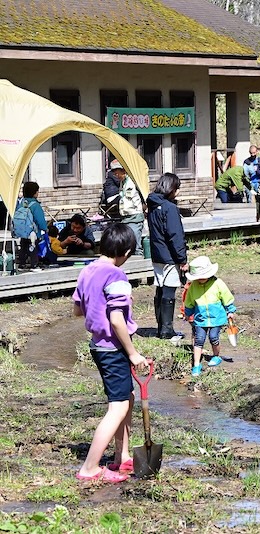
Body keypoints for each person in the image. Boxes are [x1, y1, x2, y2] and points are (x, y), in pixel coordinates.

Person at [73, 223, 149, 483]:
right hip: (112, 347)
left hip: (98, 345)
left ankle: (122, 455)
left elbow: (78, 310)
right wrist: (133, 353)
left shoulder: (87, 270)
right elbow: (116, 320)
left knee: (126, 397)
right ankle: (90, 468)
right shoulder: (117, 276)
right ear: (126, 252)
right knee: (118, 407)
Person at [146, 172, 188, 342]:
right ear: (171, 188)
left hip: (157, 254)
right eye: (177, 188)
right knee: (169, 291)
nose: (178, 192)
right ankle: (167, 330)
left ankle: (160, 328)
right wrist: (182, 259)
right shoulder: (170, 208)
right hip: (170, 256)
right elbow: (175, 236)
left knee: (160, 289)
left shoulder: (152, 205)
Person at [183, 256, 236, 377]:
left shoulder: (218, 283)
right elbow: (189, 301)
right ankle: (196, 364)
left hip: (216, 318)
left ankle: (216, 356)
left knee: (213, 337)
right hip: (200, 319)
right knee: (199, 339)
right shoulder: (193, 287)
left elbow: (226, 297)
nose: (201, 279)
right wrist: (187, 313)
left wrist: (230, 310)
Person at [112, 160, 146, 255]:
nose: (117, 176)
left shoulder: (134, 181)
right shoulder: (122, 183)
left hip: (135, 215)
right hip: (125, 217)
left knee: (135, 244)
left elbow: (144, 195)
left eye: (117, 173)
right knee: (128, 244)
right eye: (115, 174)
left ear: (124, 170)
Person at [14, 181, 48, 269]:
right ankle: (34, 264)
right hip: (33, 232)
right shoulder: (35, 205)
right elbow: (40, 219)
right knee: (33, 247)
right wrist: (45, 228)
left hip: (21, 231)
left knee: (23, 248)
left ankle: (22, 264)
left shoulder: (21, 203)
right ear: (35, 193)